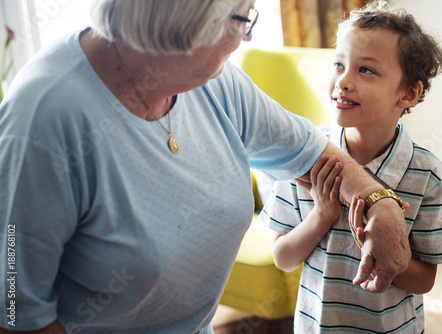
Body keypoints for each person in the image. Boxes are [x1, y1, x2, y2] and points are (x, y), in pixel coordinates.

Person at [0, 0, 410, 333]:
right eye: (241, 16)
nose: (248, 34)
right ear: (185, 22)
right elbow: (16, 311)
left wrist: (381, 201)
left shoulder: (214, 82)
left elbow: (309, 151)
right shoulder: (41, 123)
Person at [259, 1, 442, 332]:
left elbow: (424, 281)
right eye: (339, 64)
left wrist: (385, 247)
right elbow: (283, 257)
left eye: (366, 70)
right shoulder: (304, 156)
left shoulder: (429, 176)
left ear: (408, 93)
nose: (344, 81)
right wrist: (322, 215)